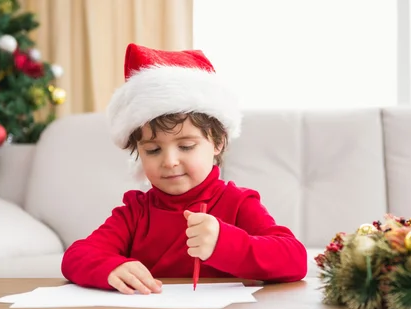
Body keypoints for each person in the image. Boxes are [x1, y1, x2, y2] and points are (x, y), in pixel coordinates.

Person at [61, 43, 307, 294]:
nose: (169, 161)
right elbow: (76, 256)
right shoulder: (134, 213)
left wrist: (225, 243)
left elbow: (295, 259)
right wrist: (110, 267)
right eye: (153, 150)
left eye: (186, 146)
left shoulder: (237, 203)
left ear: (218, 143)